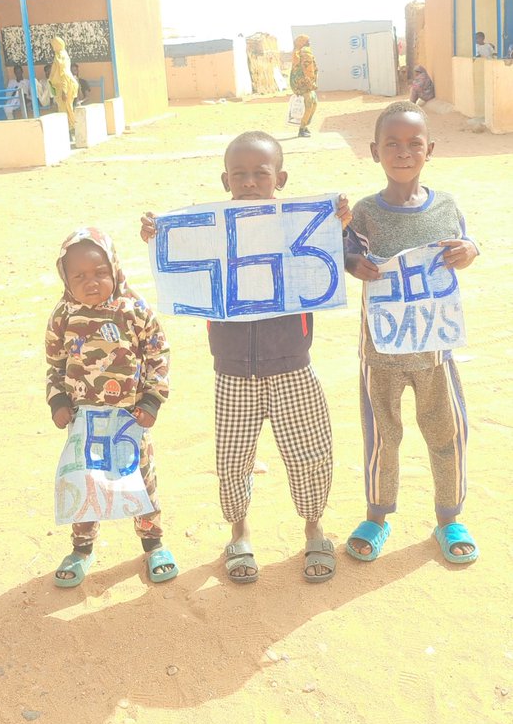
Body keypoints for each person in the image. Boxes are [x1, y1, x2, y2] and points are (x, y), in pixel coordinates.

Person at [141, 131, 352, 585]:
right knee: (233, 458)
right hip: (232, 372)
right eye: (240, 174)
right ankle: (239, 531)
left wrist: (339, 225)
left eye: (261, 173)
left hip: (294, 365)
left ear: (282, 178)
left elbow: (339, 259)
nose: (251, 182)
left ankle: (314, 527)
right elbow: (183, 265)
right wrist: (160, 238)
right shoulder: (211, 232)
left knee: (310, 454)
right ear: (225, 179)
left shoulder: (299, 225)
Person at [344, 101, 479, 564]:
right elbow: (340, 255)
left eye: (414, 144)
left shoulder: (446, 207)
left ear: (430, 150)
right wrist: (351, 263)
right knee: (383, 436)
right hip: (380, 354)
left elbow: (466, 242)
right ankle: (377, 516)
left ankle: (449, 517)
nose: (403, 152)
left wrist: (470, 250)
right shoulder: (364, 215)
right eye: (392, 144)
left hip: (435, 353)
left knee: (447, 432)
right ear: (374, 151)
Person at [46, 226, 176, 588]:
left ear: (115, 269)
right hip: (84, 422)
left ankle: (153, 544)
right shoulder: (63, 317)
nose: (92, 282)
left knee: (141, 480)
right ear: (65, 278)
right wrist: (57, 401)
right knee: (85, 483)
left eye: (100, 273)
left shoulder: (134, 310)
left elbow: (157, 354)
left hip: (129, 420)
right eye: (80, 276)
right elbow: (55, 365)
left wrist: (152, 399)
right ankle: (82, 549)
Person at [49, 36, 79, 134]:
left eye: (54, 44)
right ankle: (70, 130)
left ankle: (72, 130)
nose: (53, 46)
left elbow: (64, 74)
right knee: (63, 109)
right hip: (58, 87)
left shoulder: (62, 56)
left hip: (65, 87)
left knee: (66, 109)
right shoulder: (58, 55)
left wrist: (64, 91)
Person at [290, 34, 318, 138]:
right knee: (309, 105)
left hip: (303, 85)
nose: (309, 42)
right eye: (307, 40)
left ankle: (305, 126)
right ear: (302, 42)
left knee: (313, 104)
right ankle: (302, 129)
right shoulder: (304, 53)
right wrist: (312, 83)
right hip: (304, 85)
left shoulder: (299, 53)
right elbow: (308, 71)